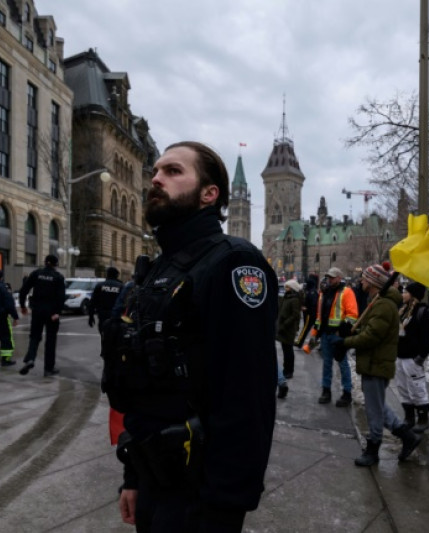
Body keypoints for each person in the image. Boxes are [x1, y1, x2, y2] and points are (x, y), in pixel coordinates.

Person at [109, 141, 278, 532]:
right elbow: (142, 390)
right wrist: (133, 477)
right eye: (156, 171)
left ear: (209, 194)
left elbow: (247, 394)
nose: (156, 179)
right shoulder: (158, 268)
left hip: (200, 497)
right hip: (152, 479)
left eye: (173, 171)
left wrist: (223, 506)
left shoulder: (234, 262)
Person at [341, 263, 422, 466]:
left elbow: (372, 336)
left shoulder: (384, 305)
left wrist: (345, 342)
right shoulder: (378, 302)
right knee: (377, 405)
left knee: (374, 411)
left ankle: (373, 449)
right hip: (373, 362)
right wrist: (349, 331)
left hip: (376, 363)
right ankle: (408, 437)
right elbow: (369, 329)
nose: (361, 281)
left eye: (365, 278)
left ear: (373, 282)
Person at [304, 266, 359, 407]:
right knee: (327, 364)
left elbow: (352, 315)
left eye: (333, 277)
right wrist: (315, 334)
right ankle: (326, 391)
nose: (330, 279)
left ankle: (347, 393)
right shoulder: (324, 293)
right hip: (326, 335)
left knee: (343, 364)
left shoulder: (347, 292)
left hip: (337, 335)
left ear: (339, 278)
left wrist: (341, 331)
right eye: (329, 277)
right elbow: (319, 317)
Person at [18, 254, 66, 377]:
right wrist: (57, 312)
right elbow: (61, 297)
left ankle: (30, 359)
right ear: (56, 265)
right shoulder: (58, 277)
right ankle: (48, 369)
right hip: (51, 313)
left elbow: (24, 290)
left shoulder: (36, 273)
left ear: (45, 262)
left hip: (37, 310)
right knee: (51, 340)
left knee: (34, 336)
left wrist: (23, 306)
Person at [396, 281, 429, 432]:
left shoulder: (422, 312)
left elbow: (426, 337)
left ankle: (423, 418)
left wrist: (421, 357)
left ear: (413, 296)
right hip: (400, 356)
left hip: (413, 358)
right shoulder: (403, 310)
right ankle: (409, 416)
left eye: (406, 292)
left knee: (417, 388)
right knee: (403, 387)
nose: (403, 294)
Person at [277, 278, 302, 384]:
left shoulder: (294, 299)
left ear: (292, 288)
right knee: (285, 350)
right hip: (284, 327)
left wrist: (285, 323)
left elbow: (295, 315)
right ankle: (285, 369)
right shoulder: (286, 297)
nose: (285, 288)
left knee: (288, 350)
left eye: (287, 286)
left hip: (289, 328)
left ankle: (289, 370)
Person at [88, 266, 124, 336]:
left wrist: (91, 316)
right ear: (117, 275)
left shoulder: (99, 286)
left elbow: (93, 302)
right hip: (116, 316)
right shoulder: (121, 286)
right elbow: (125, 302)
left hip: (102, 315)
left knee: (104, 336)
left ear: (107, 274)